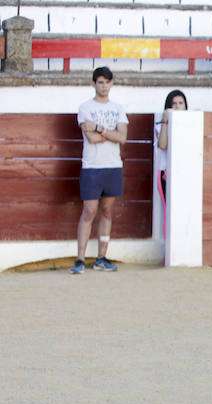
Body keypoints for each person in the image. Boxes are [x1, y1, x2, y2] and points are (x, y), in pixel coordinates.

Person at [70, 66, 129, 275]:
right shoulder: (85, 107)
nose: (104, 86)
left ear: (112, 83)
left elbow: (122, 137)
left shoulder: (119, 108)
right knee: (90, 210)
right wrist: (109, 133)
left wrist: (99, 128)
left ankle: (101, 257)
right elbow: (92, 139)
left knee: (106, 211)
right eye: (100, 82)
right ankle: (80, 258)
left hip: (113, 165)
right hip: (92, 166)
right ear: (94, 83)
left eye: (107, 82)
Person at [155, 89, 188, 238]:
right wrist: (164, 121)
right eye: (173, 104)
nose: (177, 107)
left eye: (181, 103)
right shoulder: (160, 124)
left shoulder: (191, 124)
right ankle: (168, 253)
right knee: (169, 212)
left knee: (185, 212)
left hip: (185, 172)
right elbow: (163, 145)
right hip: (166, 173)